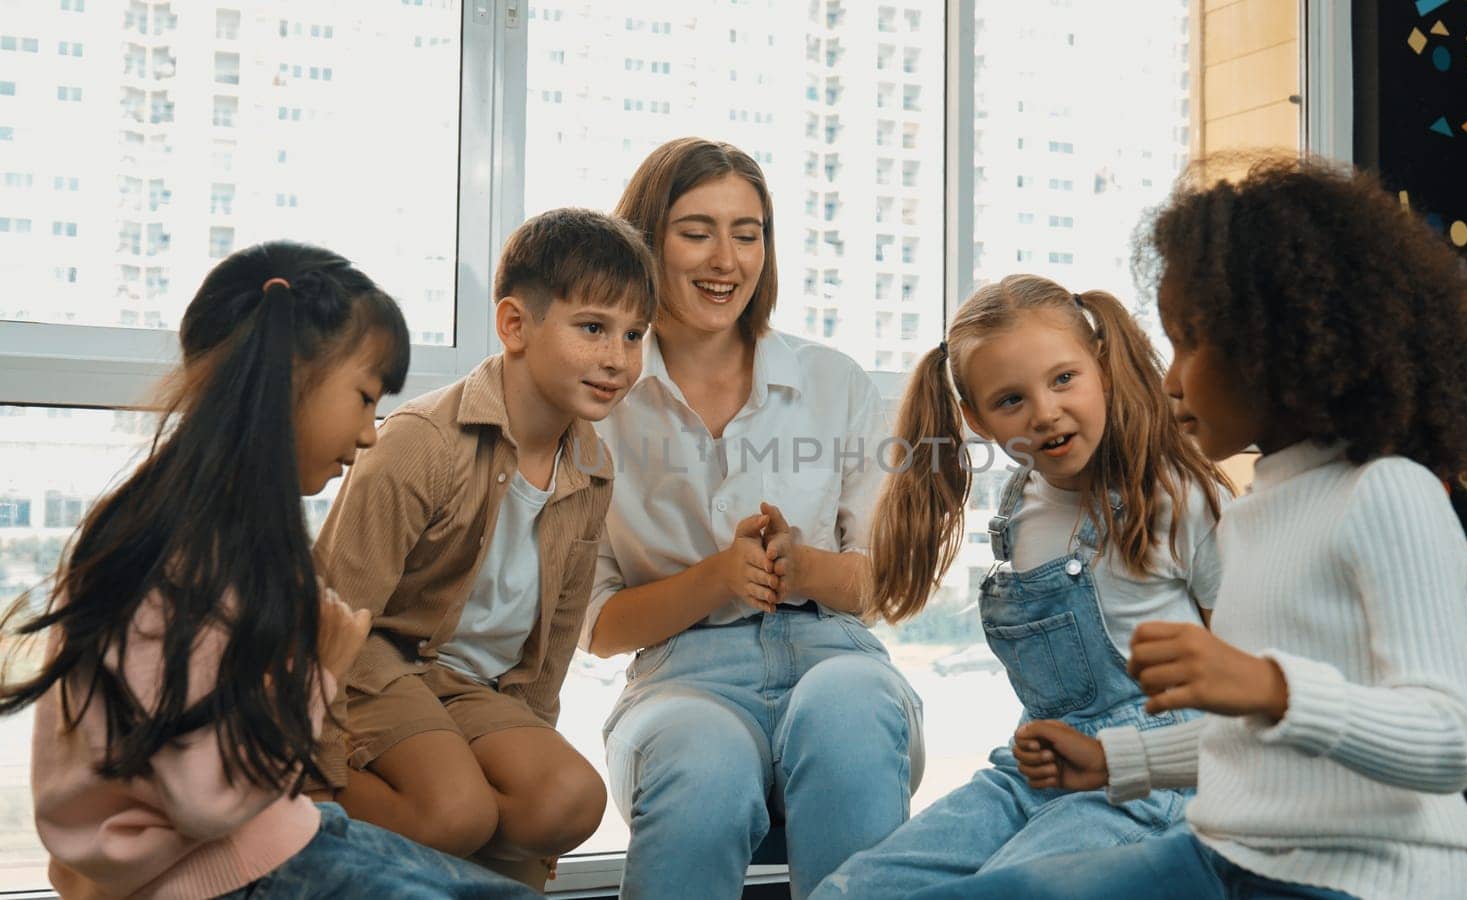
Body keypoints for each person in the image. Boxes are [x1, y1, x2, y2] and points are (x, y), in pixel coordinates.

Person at [910, 156, 1467, 900]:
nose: (1168, 378)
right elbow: (1261, 743)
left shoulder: (1389, 494)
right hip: (1233, 860)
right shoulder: (1256, 516)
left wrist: (1265, 685)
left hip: (1359, 881)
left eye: (1192, 342)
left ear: (1280, 343)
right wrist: (1119, 762)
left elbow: (1452, 741)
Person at [2, 242, 536, 898]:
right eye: (365, 398)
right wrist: (321, 670)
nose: (370, 434)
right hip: (210, 870)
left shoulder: (227, 525)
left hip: (266, 835)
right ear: (287, 377)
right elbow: (206, 797)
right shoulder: (179, 547)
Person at [582, 137, 924, 899]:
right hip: (680, 681)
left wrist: (802, 569)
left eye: (748, 232)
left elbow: (883, 586)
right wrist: (714, 580)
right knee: (698, 760)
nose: (726, 260)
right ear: (646, 242)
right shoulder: (602, 404)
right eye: (696, 231)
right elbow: (597, 625)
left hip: (834, 654)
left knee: (849, 710)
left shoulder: (832, 382)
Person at [813, 275, 1230, 898]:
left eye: (1064, 379)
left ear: (1104, 371)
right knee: (853, 890)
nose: (1045, 412)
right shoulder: (1019, 508)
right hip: (1035, 771)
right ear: (976, 419)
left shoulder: (1177, 495)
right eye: (1011, 400)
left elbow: (1244, 673)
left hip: (1152, 783)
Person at [309, 209, 656, 877]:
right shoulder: (423, 442)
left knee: (569, 802)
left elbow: (552, 645)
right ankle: (299, 794)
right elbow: (327, 616)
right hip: (375, 668)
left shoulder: (591, 466)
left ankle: (440, 854)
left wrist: (532, 782)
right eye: (593, 328)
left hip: (473, 689)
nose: (618, 358)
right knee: (458, 814)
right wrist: (319, 756)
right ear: (515, 326)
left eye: (634, 335)